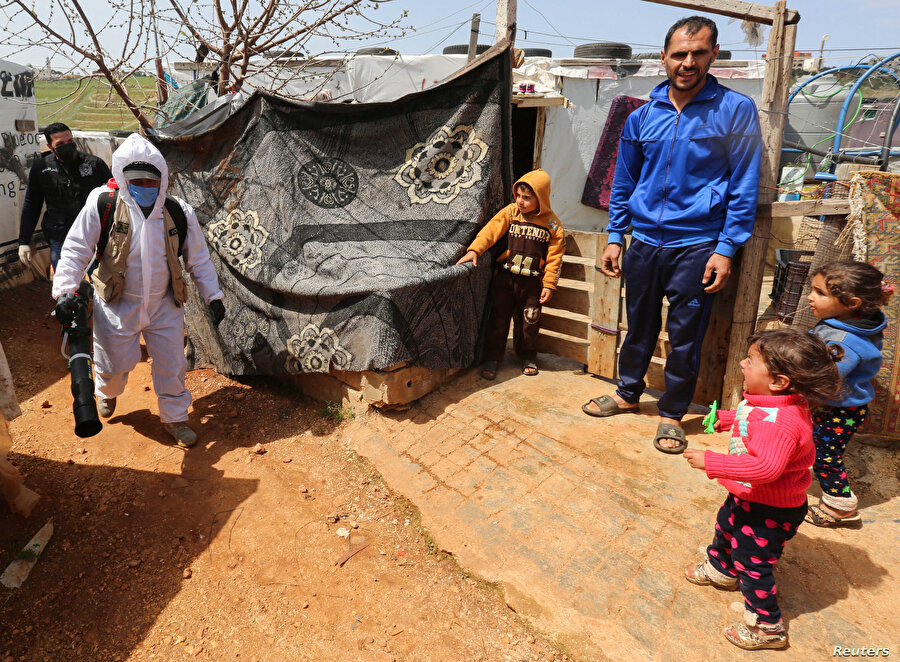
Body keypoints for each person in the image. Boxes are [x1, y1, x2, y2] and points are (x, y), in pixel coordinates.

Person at [581, 15, 762, 454]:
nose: (688, 62)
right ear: (663, 57)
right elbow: (623, 183)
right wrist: (614, 235)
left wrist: (726, 248)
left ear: (714, 55)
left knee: (685, 335)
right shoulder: (643, 117)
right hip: (643, 242)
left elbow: (744, 184)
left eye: (698, 53)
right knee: (638, 325)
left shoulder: (735, 110)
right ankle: (627, 393)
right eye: (679, 54)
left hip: (697, 245)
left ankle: (671, 414)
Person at [52, 133, 225, 448]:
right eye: (137, 181)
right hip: (117, 303)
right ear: (122, 177)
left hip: (164, 305)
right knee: (114, 363)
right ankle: (107, 390)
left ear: (162, 179)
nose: (144, 188)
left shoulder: (176, 211)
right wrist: (64, 290)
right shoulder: (104, 203)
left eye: (151, 182)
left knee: (172, 364)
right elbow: (77, 249)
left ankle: (174, 417)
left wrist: (213, 296)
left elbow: (198, 259)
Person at [683, 329, 840, 650]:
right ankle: (721, 569)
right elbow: (751, 416)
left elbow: (766, 469)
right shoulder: (775, 403)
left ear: (779, 381)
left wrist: (713, 462)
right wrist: (727, 418)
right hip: (749, 496)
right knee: (727, 525)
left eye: (751, 361)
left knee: (753, 563)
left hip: (771, 508)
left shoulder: (778, 422)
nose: (742, 363)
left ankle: (768, 626)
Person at [804, 261, 892, 527]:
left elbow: (825, 380)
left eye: (820, 293)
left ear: (852, 303)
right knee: (814, 447)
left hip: (836, 409)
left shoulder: (842, 341)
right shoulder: (847, 322)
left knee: (825, 456)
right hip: (833, 404)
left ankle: (839, 505)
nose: (810, 297)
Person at [456, 169, 565, 378]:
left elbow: (555, 256)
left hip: (532, 283)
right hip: (505, 279)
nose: (521, 201)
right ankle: (492, 358)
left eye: (527, 197)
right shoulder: (510, 212)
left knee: (530, 321)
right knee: (498, 319)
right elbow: (490, 231)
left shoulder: (552, 223)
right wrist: (474, 249)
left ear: (540, 198)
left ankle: (527, 355)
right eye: (519, 196)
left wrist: (550, 284)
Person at [18, 122, 113, 271]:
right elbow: (32, 205)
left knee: (99, 280)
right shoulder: (41, 168)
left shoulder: (95, 164)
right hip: (59, 236)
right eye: (60, 143)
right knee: (66, 286)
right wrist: (24, 240)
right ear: (50, 147)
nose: (67, 145)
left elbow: (113, 198)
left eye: (70, 141)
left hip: (93, 235)